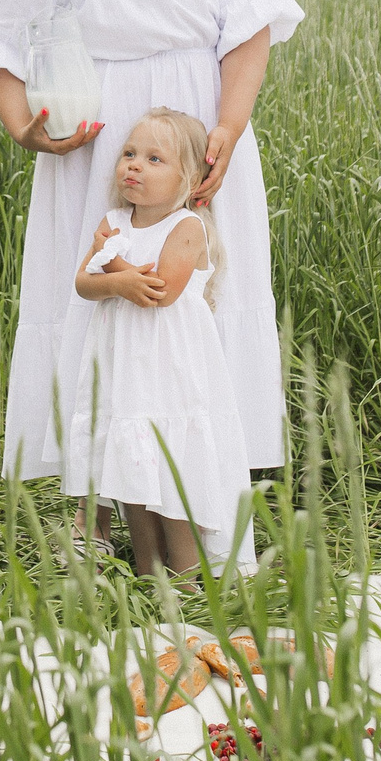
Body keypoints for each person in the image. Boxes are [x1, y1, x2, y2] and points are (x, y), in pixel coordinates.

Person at [0, 0, 302, 553]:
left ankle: (204, 501)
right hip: (103, 144)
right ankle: (96, 514)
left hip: (202, 137)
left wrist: (228, 127)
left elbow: (249, 23)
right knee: (104, 307)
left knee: (204, 304)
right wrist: (25, 128)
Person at [59, 108, 254, 578]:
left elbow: (159, 292)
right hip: (123, 363)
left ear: (188, 179)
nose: (133, 165)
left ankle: (187, 578)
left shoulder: (186, 227)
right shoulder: (113, 220)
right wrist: (111, 275)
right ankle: (148, 569)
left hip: (170, 366)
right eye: (129, 154)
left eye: (153, 159)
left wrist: (112, 266)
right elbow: (83, 284)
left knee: (172, 459)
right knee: (132, 457)